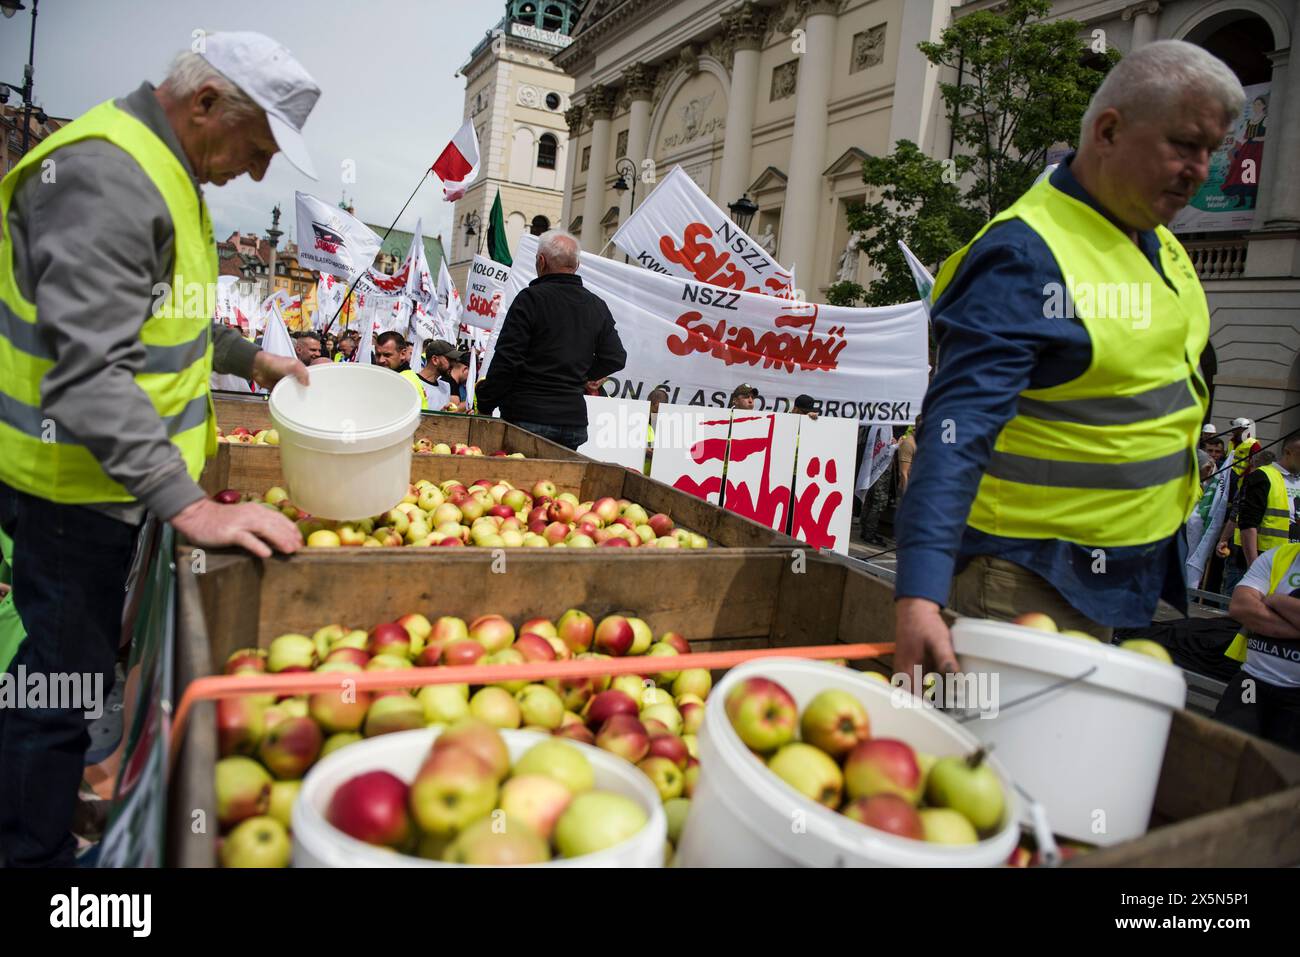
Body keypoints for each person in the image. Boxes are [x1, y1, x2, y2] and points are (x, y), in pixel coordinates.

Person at [0, 31, 319, 866]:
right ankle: (30, 855)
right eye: (256, 149)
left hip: (108, 487)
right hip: (74, 489)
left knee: (70, 675)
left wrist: (256, 358)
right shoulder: (110, 173)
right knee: (55, 687)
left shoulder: (165, 169)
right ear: (207, 103)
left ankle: (41, 814)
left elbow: (162, 310)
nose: (256, 174)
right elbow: (88, 373)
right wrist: (190, 505)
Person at [892, 40, 1244, 679]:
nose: (1201, 170)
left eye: (1211, 150)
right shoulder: (1027, 255)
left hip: (1110, 581)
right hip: (1021, 584)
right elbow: (955, 430)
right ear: (1109, 130)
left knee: (1047, 764)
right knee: (989, 760)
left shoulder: (1159, 246)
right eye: (1185, 145)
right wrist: (918, 593)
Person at [476, 230, 626, 449]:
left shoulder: (530, 300)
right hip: (572, 421)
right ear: (576, 265)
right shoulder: (596, 306)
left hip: (528, 417)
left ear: (541, 261)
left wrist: (486, 402)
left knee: (519, 482)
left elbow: (508, 359)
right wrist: (584, 375)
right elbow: (616, 357)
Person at [1217, 541, 1300, 751]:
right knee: (1226, 750)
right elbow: (1241, 606)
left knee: (1283, 772)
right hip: (1253, 682)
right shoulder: (1280, 556)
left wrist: (1275, 601)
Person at [1219, 441, 1300, 595]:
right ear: (1288, 452)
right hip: (1262, 560)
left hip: (1290, 563)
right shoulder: (1262, 476)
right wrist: (1254, 564)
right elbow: (1247, 523)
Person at [375, 331, 427, 410]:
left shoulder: (403, 380)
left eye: (387, 355)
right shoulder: (401, 376)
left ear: (403, 354)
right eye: (378, 355)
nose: (381, 360)